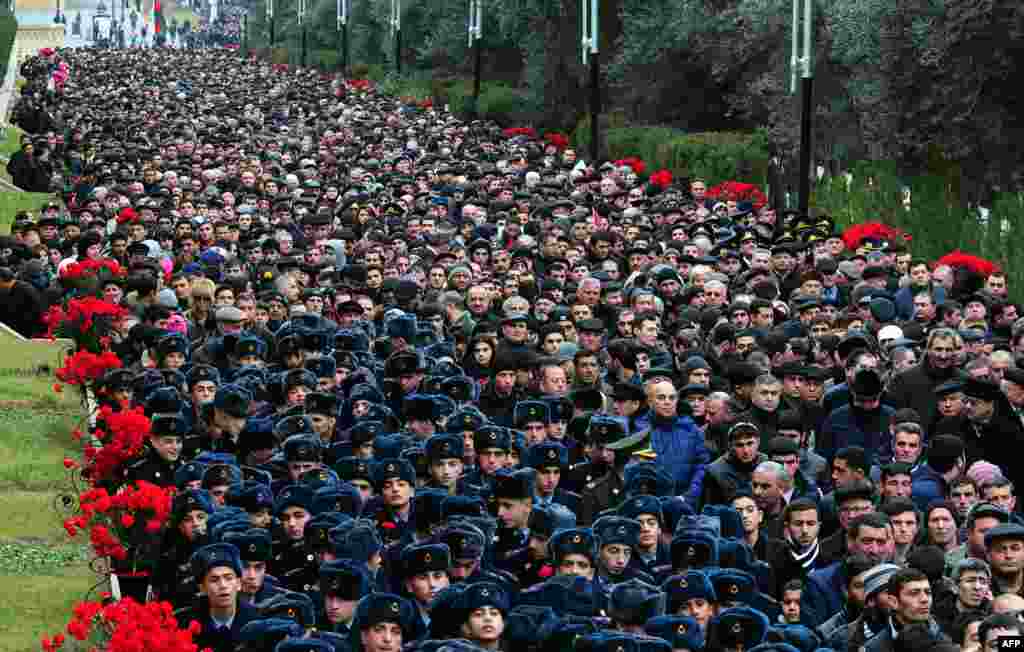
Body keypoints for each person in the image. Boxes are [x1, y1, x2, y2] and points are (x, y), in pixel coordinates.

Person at [174, 542, 259, 652]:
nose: (223, 585)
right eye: (214, 580)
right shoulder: (185, 623)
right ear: (202, 588)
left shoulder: (256, 622)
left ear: (239, 584)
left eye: (228, 578)